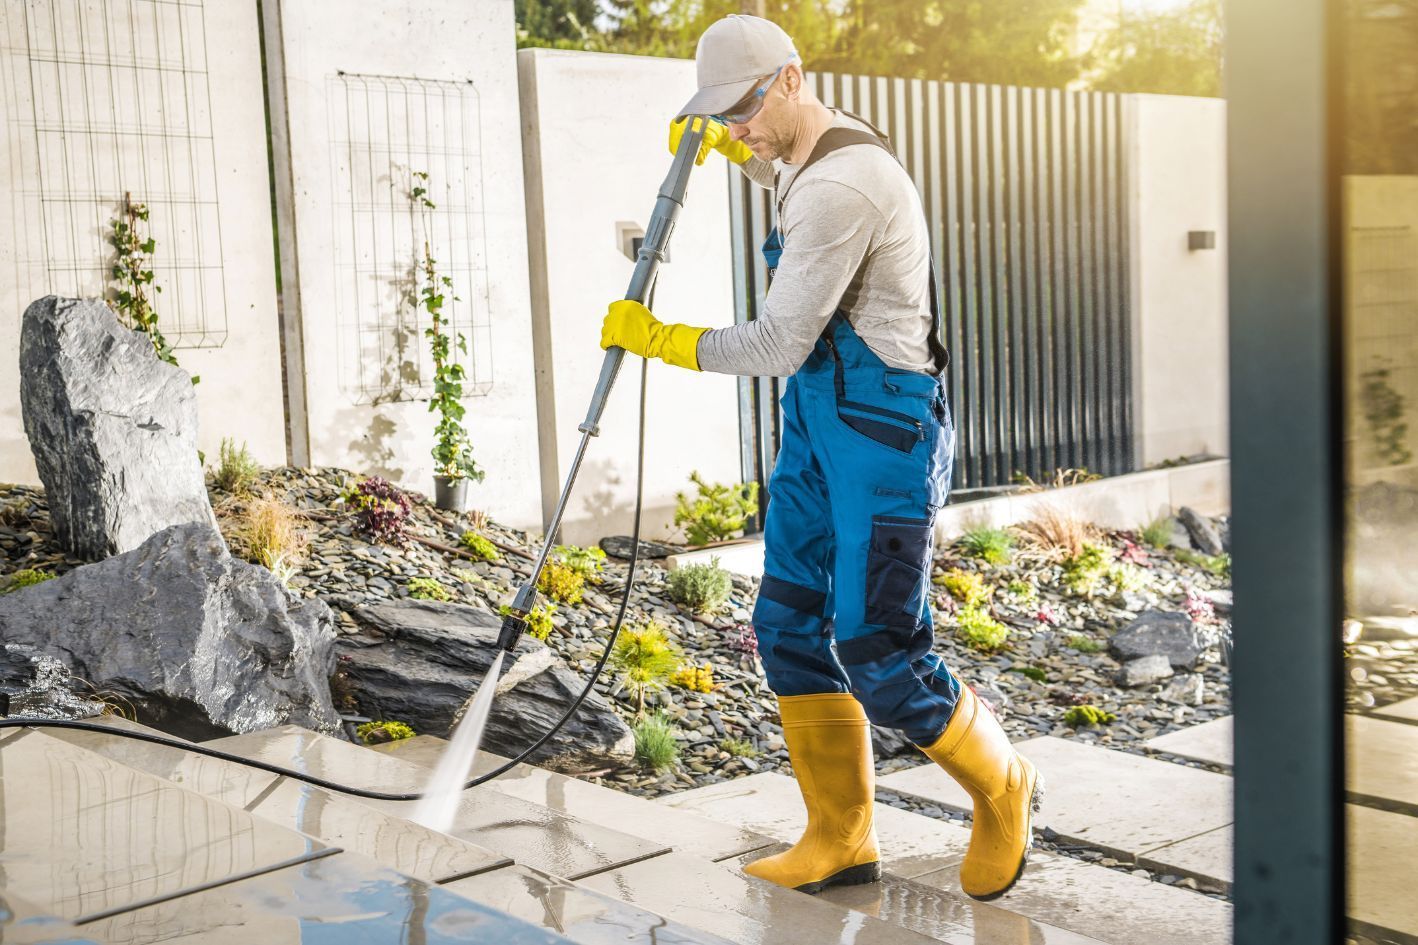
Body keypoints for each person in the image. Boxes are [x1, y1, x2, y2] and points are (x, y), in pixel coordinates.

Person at [599, 13, 1042, 901]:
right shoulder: (808, 156)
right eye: (721, 116)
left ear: (791, 78)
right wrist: (742, 156)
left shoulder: (847, 184)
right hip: (818, 429)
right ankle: (840, 834)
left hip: (883, 434)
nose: (737, 128)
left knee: (878, 644)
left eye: (745, 110)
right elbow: (784, 170)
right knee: (789, 622)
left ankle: (1002, 786)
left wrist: (662, 340)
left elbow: (776, 342)